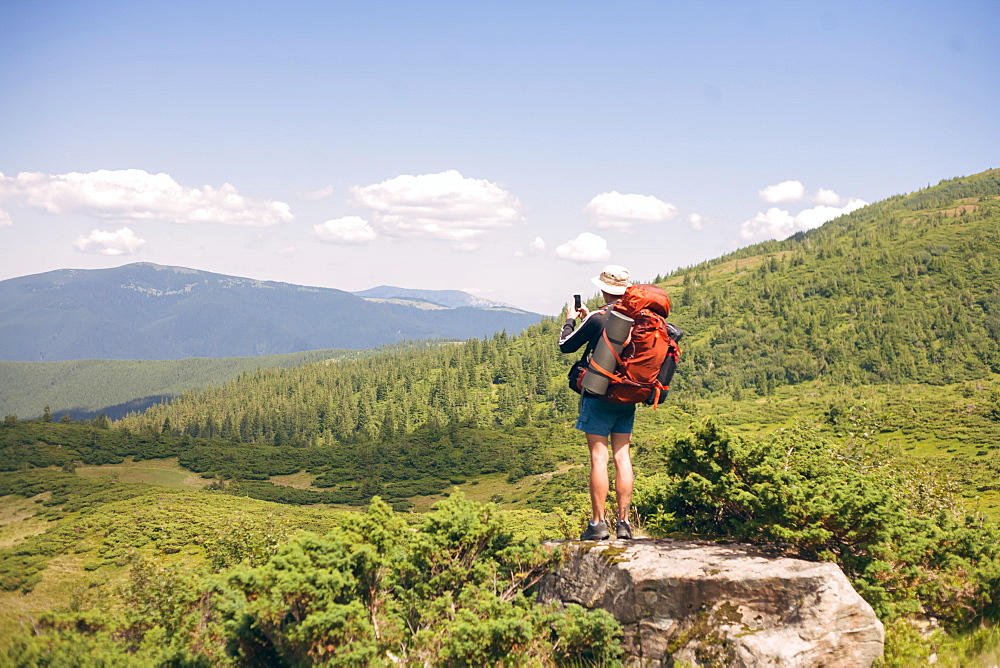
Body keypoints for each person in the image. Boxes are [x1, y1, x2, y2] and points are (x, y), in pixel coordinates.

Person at [559, 264, 636, 540]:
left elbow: (565, 345)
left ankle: (598, 524)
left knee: (598, 458)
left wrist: (572, 319)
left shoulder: (597, 317)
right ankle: (625, 524)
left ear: (603, 289)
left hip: (598, 394)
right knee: (622, 457)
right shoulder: (639, 316)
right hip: (628, 395)